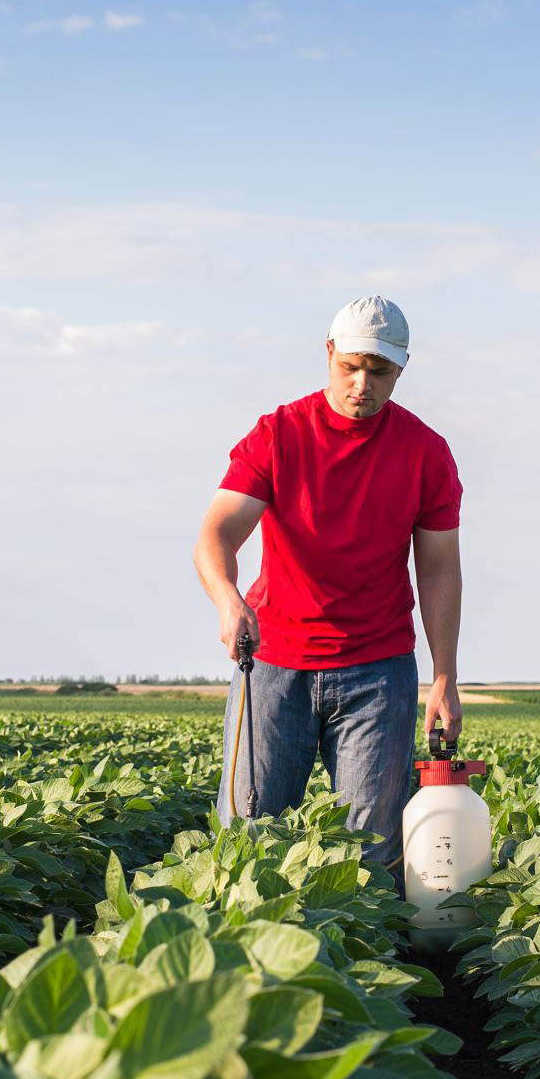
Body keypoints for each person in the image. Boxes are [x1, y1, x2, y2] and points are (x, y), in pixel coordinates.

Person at [193, 295, 464, 889]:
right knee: (248, 841)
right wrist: (228, 597)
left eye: (380, 371)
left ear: (401, 369)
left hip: (378, 668)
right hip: (273, 664)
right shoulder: (278, 435)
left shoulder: (426, 453)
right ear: (328, 353)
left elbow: (439, 568)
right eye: (350, 367)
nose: (362, 384)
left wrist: (443, 675)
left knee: (369, 857)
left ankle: (367, 973)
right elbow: (216, 536)